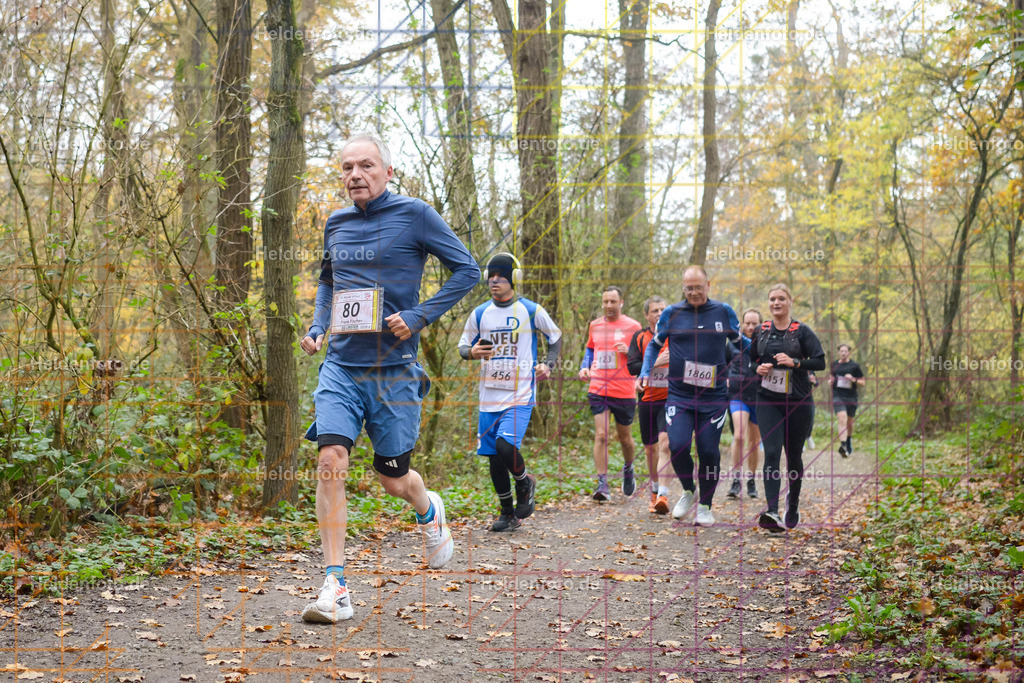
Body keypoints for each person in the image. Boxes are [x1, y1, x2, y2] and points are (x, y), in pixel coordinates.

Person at [299, 134, 479, 623]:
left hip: (394, 371)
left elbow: (468, 270)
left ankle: (428, 508)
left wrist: (420, 316)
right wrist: (318, 326)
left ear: (388, 171)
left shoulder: (416, 214)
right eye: (347, 167)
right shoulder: (335, 223)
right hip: (341, 365)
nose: (355, 175)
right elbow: (329, 282)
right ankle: (335, 584)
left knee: (393, 479)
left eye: (366, 166)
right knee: (331, 458)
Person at [458, 252, 562, 532]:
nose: (494, 281)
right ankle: (507, 513)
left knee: (506, 446)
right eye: (491, 276)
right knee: (494, 457)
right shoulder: (479, 313)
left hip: (520, 394)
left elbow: (556, 337)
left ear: (514, 279)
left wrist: (548, 365)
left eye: (501, 276)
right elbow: (463, 346)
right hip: (488, 395)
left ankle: (525, 483)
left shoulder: (531, 310)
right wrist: (472, 352)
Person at [637, 266, 742, 527]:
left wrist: (763, 359)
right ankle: (688, 489)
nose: (694, 292)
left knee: (708, 450)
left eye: (698, 287)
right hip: (680, 396)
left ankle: (705, 506)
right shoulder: (672, 313)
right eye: (689, 288)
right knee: (677, 444)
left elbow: (742, 345)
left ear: (708, 284)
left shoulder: (723, 311)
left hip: (713, 397)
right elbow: (653, 345)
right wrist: (644, 371)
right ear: (683, 288)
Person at [750, 283, 826, 532]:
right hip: (768, 399)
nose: (776, 303)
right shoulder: (761, 331)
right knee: (771, 452)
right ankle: (771, 511)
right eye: (772, 299)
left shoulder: (802, 331)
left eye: (781, 298)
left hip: (798, 401)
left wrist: (795, 362)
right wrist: (757, 369)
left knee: (793, 456)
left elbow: (820, 362)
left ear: (790, 301)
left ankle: (792, 504)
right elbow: (750, 361)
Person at [578, 286, 641, 501]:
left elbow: (642, 357)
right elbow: (590, 350)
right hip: (598, 387)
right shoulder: (595, 325)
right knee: (602, 434)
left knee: (625, 439)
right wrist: (584, 366)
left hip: (623, 390)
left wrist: (630, 351)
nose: (608, 306)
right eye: (605, 302)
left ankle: (629, 467)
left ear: (621, 302)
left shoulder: (634, 326)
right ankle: (602, 483)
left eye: (613, 302)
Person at [626, 295, 672, 514]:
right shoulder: (640, 337)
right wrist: (655, 363)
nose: (660, 314)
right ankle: (654, 489)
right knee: (650, 448)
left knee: (665, 444)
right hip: (647, 399)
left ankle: (663, 493)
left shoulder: (676, 336)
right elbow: (632, 366)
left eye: (663, 309)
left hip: (670, 399)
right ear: (646, 315)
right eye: (655, 310)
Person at [725, 309, 762, 500]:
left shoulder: (764, 345)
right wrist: (725, 380)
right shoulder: (732, 344)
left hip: (758, 396)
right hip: (737, 394)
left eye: (754, 323)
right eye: (746, 323)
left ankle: (751, 479)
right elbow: (722, 365)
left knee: (754, 442)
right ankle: (735, 479)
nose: (749, 327)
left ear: (760, 325)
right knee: (739, 435)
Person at [829, 343, 865, 457]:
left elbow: (863, 382)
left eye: (846, 351)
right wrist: (830, 382)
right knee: (842, 418)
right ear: (838, 353)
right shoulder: (834, 365)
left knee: (849, 422)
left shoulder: (854, 366)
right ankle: (843, 445)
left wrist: (853, 379)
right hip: (838, 395)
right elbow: (832, 378)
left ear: (849, 353)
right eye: (841, 351)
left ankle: (848, 441)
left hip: (851, 397)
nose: (843, 353)